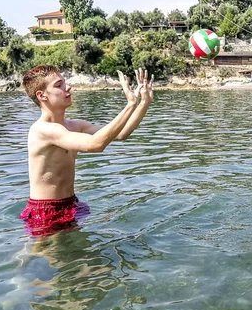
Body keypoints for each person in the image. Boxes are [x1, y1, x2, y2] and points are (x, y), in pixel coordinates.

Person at [20, 65, 154, 236]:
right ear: (42, 95)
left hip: (70, 203)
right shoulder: (43, 130)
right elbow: (95, 145)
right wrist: (129, 105)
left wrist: (143, 104)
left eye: (65, 83)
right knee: (46, 257)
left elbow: (120, 134)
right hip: (45, 211)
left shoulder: (74, 125)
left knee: (74, 256)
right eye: (58, 85)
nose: (67, 88)